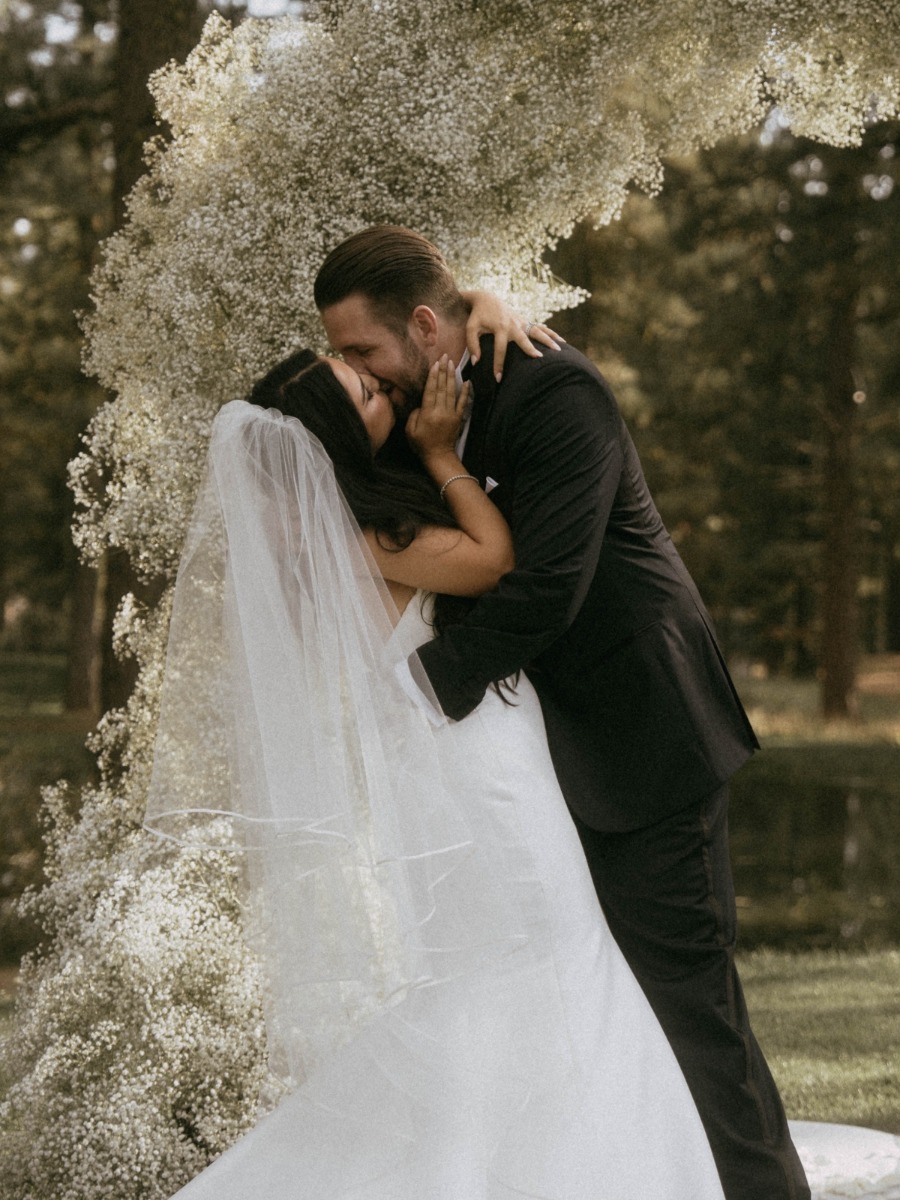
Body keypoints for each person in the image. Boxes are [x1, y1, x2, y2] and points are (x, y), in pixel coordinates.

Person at [147, 317, 728, 1196]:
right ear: (334, 438)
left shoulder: (339, 524)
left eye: (368, 373)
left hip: (464, 758)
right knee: (548, 953)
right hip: (477, 771)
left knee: (522, 968)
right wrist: (443, 454)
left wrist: (483, 303)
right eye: (366, 394)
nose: (384, 391)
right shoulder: (362, 533)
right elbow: (496, 560)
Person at [313, 226, 811, 1200]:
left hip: (642, 740)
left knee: (690, 1015)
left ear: (423, 325)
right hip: (536, 769)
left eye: (365, 352)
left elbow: (547, 589)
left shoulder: (554, 391)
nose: (356, 370)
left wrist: (416, 695)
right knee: (598, 1014)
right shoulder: (426, 421)